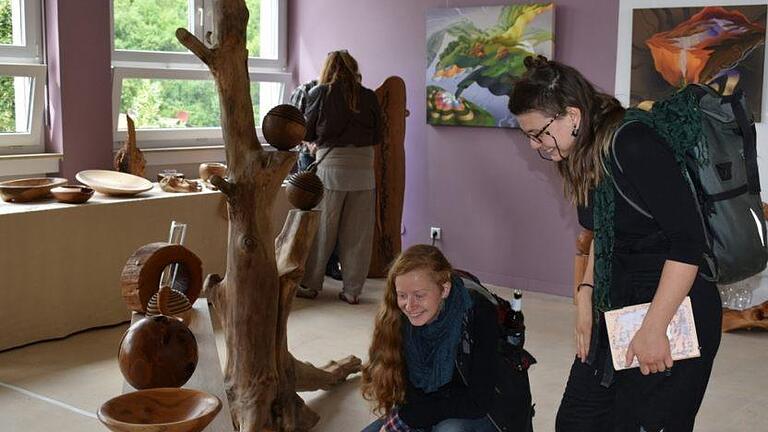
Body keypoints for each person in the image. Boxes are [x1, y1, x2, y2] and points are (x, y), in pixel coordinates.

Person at [508, 55, 721, 431]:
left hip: (673, 307)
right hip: (619, 302)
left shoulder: (633, 143)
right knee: (578, 421)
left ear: (572, 116)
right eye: (528, 136)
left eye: (539, 133)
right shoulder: (585, 153)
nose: (534, 146)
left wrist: (654, 329)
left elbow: (689, 244)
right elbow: (606, 235)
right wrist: (586, 297)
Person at [360, 244, 532, 432]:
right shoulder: (402, 318)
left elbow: (477, 401)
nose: (409, 306)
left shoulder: (479, 313)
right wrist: (408, 420)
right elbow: (414, 396)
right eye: (402, 295)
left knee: (449, 429)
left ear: (444, 289)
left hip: (491, 410)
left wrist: (409, 419)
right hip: (435, 405)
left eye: (419, 295)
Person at [297, 50, 382, 304]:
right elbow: (378, 134)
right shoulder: (368, 96)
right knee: (358, 233)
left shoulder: (320, 93)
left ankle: (311, 284)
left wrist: (313, 144)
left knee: (324, 229)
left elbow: (308, 129)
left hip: (332, 167)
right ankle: (352, 290)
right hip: (365, 167)